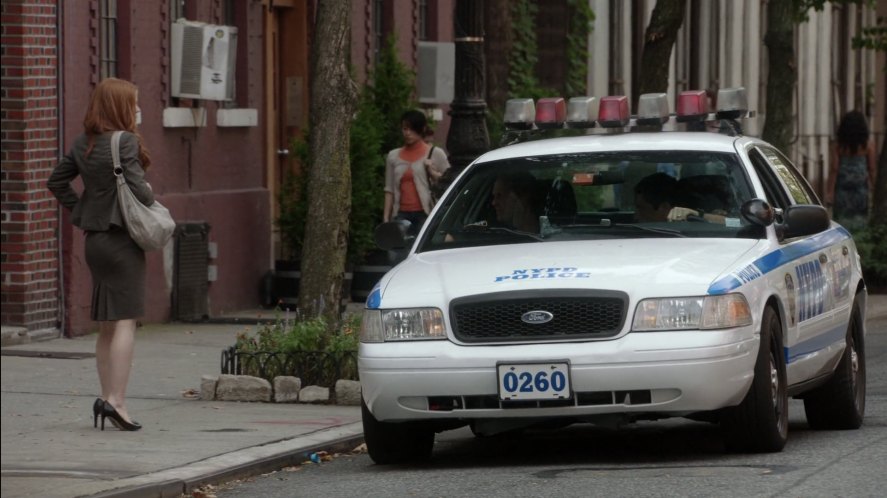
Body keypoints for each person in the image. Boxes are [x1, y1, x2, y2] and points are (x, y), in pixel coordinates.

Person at [47, 78, 153, 431]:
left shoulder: (84, 143)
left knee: (107, 324)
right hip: (123, 239)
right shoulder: (126, 142)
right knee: (125, 321)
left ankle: (106, 396)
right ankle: (116, 401)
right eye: (134, 103)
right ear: (121, 107)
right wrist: (148, 195)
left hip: (95, 241)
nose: (139, 109)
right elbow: (141, 193)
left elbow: (56, 181)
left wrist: (83, 211)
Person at [383, 110, 450, 235]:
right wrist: (386, 218)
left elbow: (449, 182)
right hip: (400, 215)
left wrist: (433, 173)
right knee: (398, 252)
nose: (408, 133)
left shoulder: (435, 153)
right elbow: (389, 189)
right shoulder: (393, 156)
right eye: (405, 129)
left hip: (425, 214)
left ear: (422, 129)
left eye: (413, 129)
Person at [826, 110, 878, 229]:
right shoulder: (868, 145)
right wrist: (874, 188)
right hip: (861, 190)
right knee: (860, 220)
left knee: (841, 220)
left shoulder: (838, 145)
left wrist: (830, 193)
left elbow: (834, 169)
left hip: (842, 191)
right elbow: (872, 169)